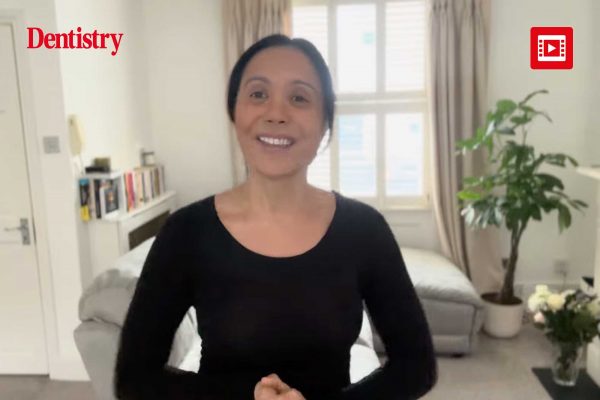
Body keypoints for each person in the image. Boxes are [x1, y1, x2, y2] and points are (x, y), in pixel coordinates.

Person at [114, 34, 437, 400]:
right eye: (258, 94)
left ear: (325, 123)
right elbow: (134, 378)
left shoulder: (365, 230)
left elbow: (417, 366)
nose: (276, 113)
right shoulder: (187, 232)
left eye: (299, 98)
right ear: (234, 113)